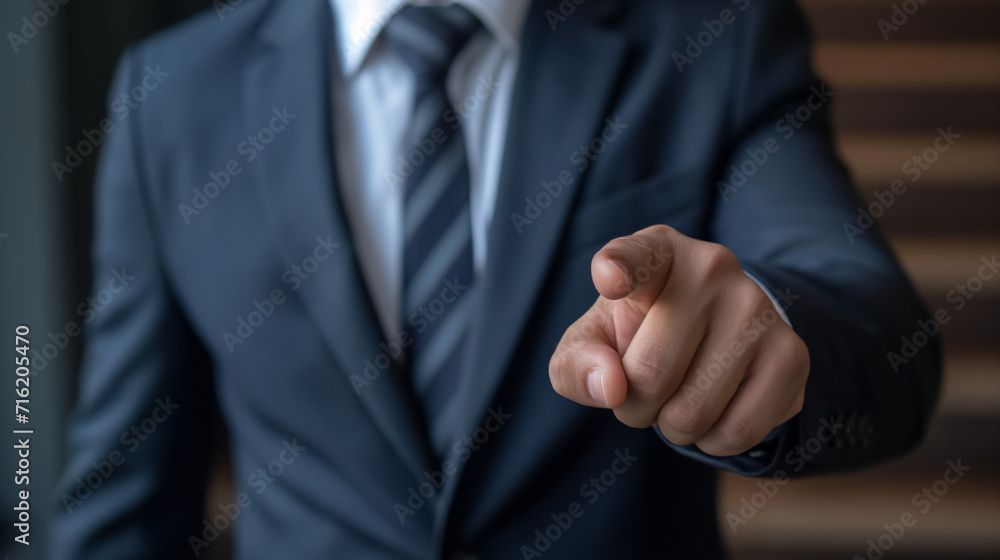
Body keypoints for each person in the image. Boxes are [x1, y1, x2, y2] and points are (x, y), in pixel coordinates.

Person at [52, 0, 941, 558]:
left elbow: (875, 328)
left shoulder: (717, 33)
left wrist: (767, 331)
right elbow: (124, 491)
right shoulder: (170, 94)